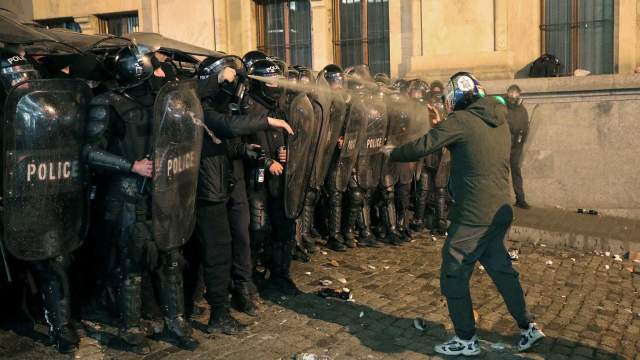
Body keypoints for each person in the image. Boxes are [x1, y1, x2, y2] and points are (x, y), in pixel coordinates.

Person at [385, 72, 544, 356]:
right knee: (501, 270)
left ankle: (466, 339)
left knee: (453, 270)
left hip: (474, 214)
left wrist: (392, 152)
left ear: (455, 97)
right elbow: (470, 144)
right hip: (499, 210)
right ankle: (528, 326)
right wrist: (444, 126)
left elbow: (424, 146)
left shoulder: (460, 121)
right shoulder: (499, 119)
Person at [83, 46, 199, 352]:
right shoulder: (107, 104)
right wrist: (130, 165)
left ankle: (176, 321)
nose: (161, 74)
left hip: (165, 194)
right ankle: (130, 329)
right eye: (155, 70)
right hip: (128, 196)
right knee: (132, 265)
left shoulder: (163, 103)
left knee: (171, 260)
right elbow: (90, 152)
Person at [193, 54, 292, 334]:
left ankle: (234, 296)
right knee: (217, 251)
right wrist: (268, 122)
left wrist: (248, 152)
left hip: (226, 183)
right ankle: (217, 313)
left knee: (236, 241)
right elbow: (226, 127)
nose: (233, 81)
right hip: (208, 187)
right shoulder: (201, 106)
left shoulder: (224, 105)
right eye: (227, 76)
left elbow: (231, 142)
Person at [244, 59, 299, 295]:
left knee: (284, 226)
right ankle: (253, 279)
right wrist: (266, 161)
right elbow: (242, 142)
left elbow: (290, 134)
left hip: (280, 181)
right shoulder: (247, 106)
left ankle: (280, 274)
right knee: (258, 229)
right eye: (271, 80)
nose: (275, 85)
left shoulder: (280, 106)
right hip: (256, 179)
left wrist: (287, 150)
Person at [505, 84, 530, 209]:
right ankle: (501, 200)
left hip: (516, 146)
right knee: (501, 172)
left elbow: (525, 127)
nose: (514, 97)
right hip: (503, 145)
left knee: (516, 171)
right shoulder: (503, 108)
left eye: (516, 95)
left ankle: (520, 199)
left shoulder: (522, 110)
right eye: (511, 95)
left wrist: (520, 140)